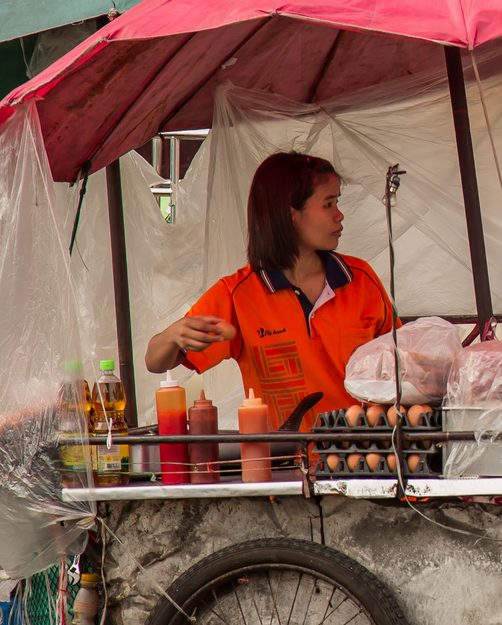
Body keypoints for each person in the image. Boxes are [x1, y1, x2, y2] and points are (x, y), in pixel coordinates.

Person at [145, 152, 397, 431]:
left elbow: (400, 362)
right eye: (328, 204)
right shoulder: (238, 295)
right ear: (289, 214)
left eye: (337, 202)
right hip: (284, 466)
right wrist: (172, 335)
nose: (339, 214)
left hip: (364, 460)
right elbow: (155, 362)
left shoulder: (360, 279)